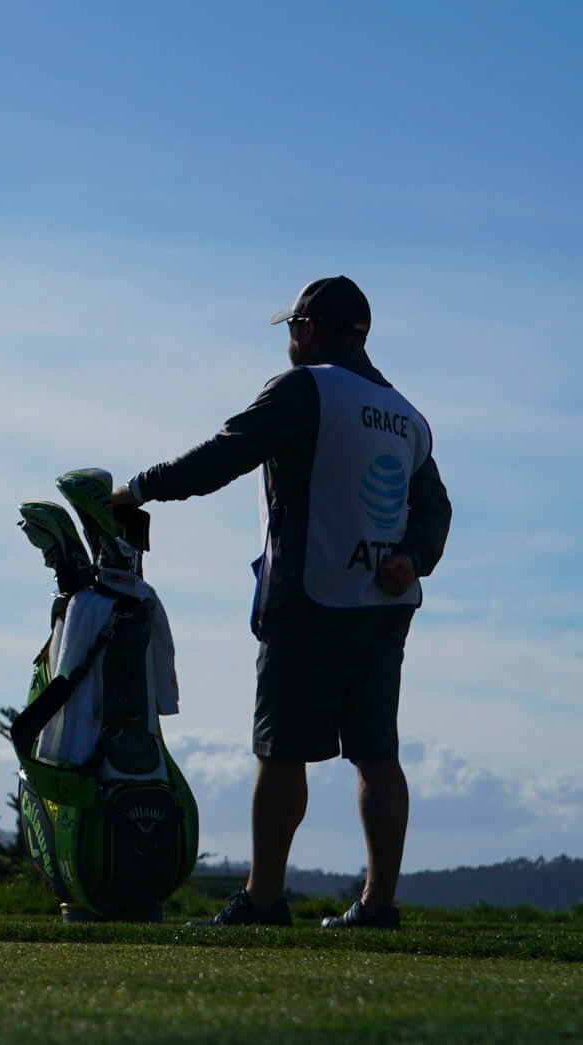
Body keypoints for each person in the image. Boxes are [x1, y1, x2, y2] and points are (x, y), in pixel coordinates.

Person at [111, 277, 451, 930]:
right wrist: (415, 553)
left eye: (293, 326)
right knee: (377, 753)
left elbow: (226, 452)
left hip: (312, 592)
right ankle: (378, 904)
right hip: (387, 598)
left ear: (310, 328)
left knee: (280, 748)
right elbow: (434, 505)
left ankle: (264, 899)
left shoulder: (304, 388)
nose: (291, 339)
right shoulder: (405, 412)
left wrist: (138, 489)